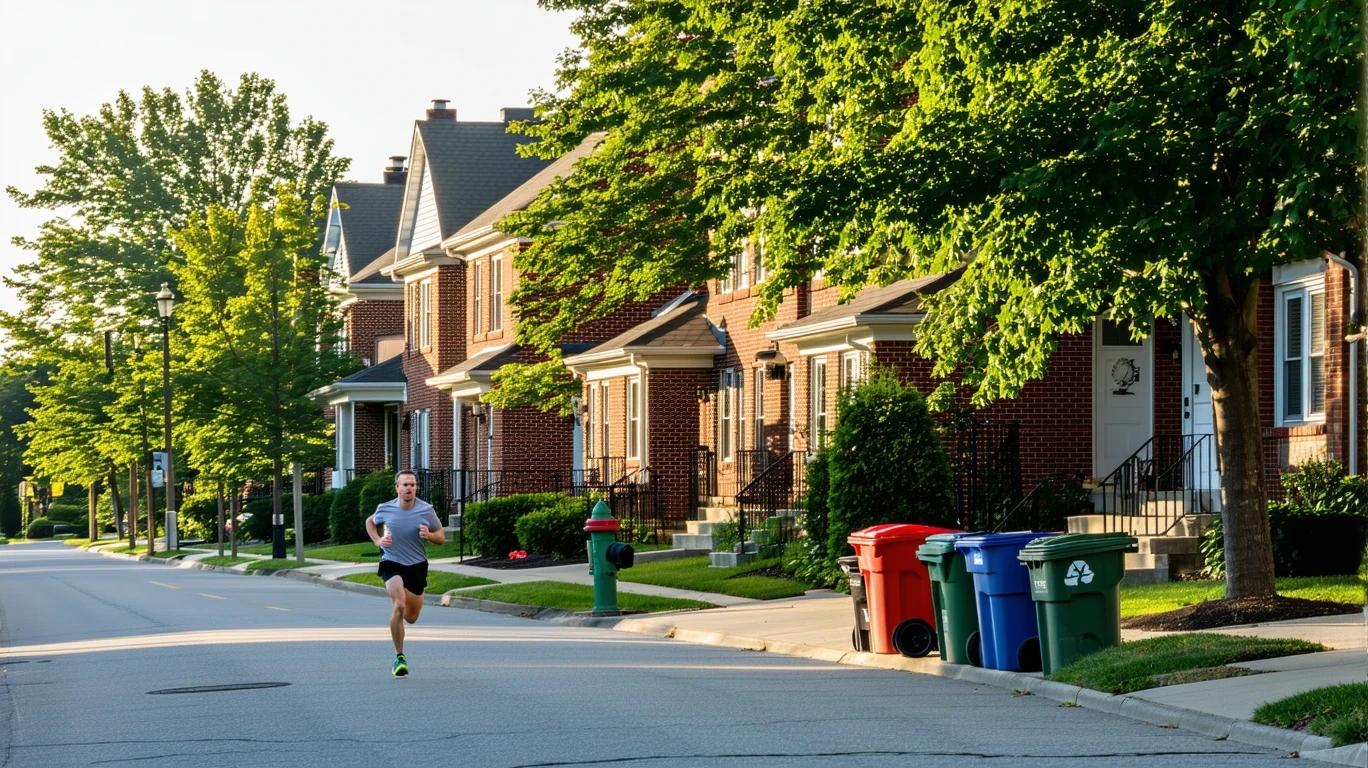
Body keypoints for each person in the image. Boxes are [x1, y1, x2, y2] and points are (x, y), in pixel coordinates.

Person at [366, 470, 444, 677]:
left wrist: (429, 535)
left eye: (413, 485)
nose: (410, 488)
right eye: (405, 484)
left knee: (411, 617)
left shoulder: (426, 510)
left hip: (417, 565)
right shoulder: (385, 508)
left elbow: (441, 537)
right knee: (399, 605)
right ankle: (399, 657)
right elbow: (370, 522)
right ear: (397, 487)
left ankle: (412, 599)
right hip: (391, 561)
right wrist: (378, 541)